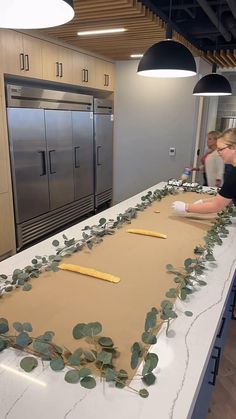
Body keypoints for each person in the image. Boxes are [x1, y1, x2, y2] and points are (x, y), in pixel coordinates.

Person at [172, 128, 236, 215]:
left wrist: (186, 207)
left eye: (221, 149)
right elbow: (229, 198)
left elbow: (216, 206)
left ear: (233, 147)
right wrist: (204, 201)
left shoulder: (233, 175)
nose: (219, 152)